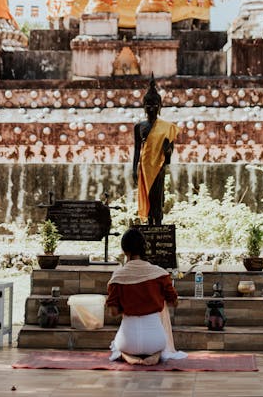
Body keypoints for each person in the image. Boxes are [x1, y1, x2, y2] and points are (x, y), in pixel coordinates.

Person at [106, 228, 186, 364]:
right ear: (144, 248)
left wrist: (130, 305)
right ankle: (156, 355)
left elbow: (113, 312)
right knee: (160, 346)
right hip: (156, 340)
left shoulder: (118, 277)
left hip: (128, 341)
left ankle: (127, 356)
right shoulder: (160, 274)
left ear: (124, 251)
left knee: (116, 346)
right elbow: (174, 303)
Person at [133, 75, 178, 225]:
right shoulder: (139, 127)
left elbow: (169, 155)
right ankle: (148, 226)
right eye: (148, 105)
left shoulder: (167, 127)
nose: (151, 108)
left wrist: (167, 151)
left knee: (157, 198)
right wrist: (134, 169)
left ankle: (158, 224)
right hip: (145, 167)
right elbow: (137, 149)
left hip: (158, 167)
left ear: (160, 107)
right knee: (147, 197)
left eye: (154, 105)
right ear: (143, 106)